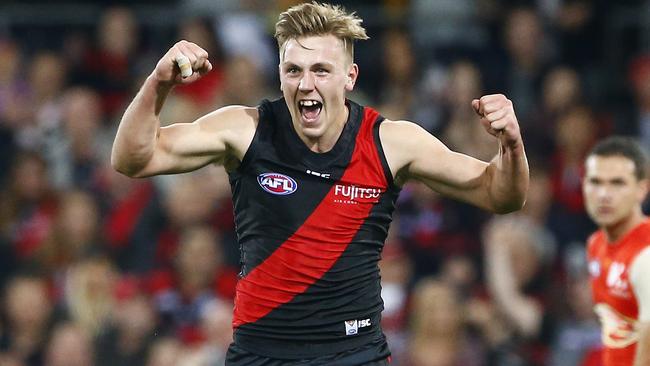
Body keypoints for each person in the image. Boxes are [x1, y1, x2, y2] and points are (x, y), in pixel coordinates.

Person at [111, 3, 529, 365]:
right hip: (261, 353)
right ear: (279, 75)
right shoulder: (246, 129)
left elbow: (500, 194)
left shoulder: (390, 142)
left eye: (320, 70)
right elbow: (133, 159)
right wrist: (158, 83)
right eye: (293, 70)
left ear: (349, 77)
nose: (305, 84)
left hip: (354, 355)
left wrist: (511, 143)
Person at [583, 136, 650, 366]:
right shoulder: (596, 244)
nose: (604, 194)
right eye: (595, 182)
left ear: (642, 189)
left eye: (617, 183)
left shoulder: (645, 255)